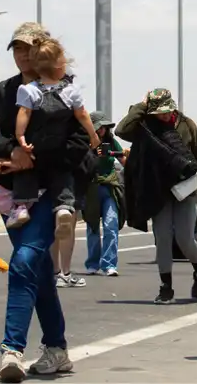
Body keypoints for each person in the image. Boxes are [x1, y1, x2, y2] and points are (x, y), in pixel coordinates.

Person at [0, 22, 90, 382]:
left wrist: (28, 155)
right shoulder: (4, 92)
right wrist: (10, 149)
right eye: (16, 49)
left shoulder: (65, 90)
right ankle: (57, 349)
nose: (21, 55)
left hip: (51, 193)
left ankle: (11, 350)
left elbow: (78, 144)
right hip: (14, 195)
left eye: (28, 47)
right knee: (38, 273)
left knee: (24, 262)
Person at [115, 88, 197, 305]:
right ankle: (166, 286)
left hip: (187, 188)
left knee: (185, 239)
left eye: (167, 111)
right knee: (163, 238)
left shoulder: (187, 125)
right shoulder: (145, 126)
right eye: (159, 112)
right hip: (158, 189)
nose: (164, 116)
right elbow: (121, 130)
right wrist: (142, 106)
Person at [10, 37, 101, 230]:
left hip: (38, 146)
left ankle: (21, 207)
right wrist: (93, 135)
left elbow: (23, 114)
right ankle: (63, 209)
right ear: (60, 67)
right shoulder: (71, 91)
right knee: (63, 175)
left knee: (26, 171)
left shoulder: (29, 91)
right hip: (61, 146)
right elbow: (82, 115)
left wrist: (20, 137)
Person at [84, 112, 123, 276]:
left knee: (111, 225)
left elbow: (123, 159)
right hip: (91, 189)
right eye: (99, 127)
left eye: (104, 127)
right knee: (92, 227)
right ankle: (93, 263)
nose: (102, 130)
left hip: (109, 187)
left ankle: (109, 264)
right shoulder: (84, 142)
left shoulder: (111, 142)